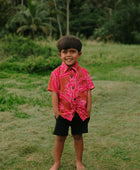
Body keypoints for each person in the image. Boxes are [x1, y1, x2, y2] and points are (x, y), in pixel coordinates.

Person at [47, 35, 95, 170]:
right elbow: (54, 93)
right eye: (65, 52)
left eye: (72, 51)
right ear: (60, 54)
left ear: (79, 54)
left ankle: (79, 162)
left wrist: (88, 110)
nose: (69, 55)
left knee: (78, 137)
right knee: (60, 138)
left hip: (80, 113)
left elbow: (88, 91)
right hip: (63, 113)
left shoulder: (84, 73)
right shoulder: (55, 73)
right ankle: (56, 163)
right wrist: (56, 112)